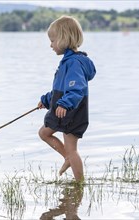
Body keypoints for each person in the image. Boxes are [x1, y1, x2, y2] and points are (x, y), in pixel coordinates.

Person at [38, 15, 96, 182]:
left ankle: (79, 183)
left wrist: (64, 103)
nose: (51, 45)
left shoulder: (74, 63)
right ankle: (69, 161)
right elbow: (61, 88)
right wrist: (47, 99)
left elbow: (77, 89)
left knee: (70, 149)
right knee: (44, 133)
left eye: (53, 40)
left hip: (71, 110)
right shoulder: (68, 62)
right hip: (64, 108)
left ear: (63, 39)